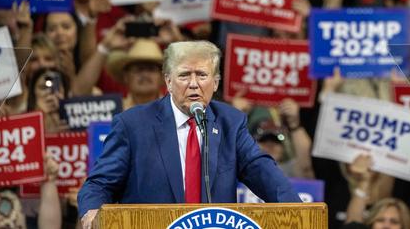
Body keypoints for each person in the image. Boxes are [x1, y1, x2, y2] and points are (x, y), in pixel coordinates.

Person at [77, 41, 300, 228]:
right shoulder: (132, 124)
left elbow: (262, 171)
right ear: (168, 82)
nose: (193, 84)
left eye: (202, 75)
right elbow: (99, 184)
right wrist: (92, 212)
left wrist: (298, 214)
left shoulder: (230, 123)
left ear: (216, 83)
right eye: (184, 75)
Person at [105, 38, 164, 110]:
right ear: (126, 76)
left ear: (162, 77)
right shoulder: (113, 111)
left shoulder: (176, 111)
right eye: (139, 69)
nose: (145, 75)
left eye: (151, 69)